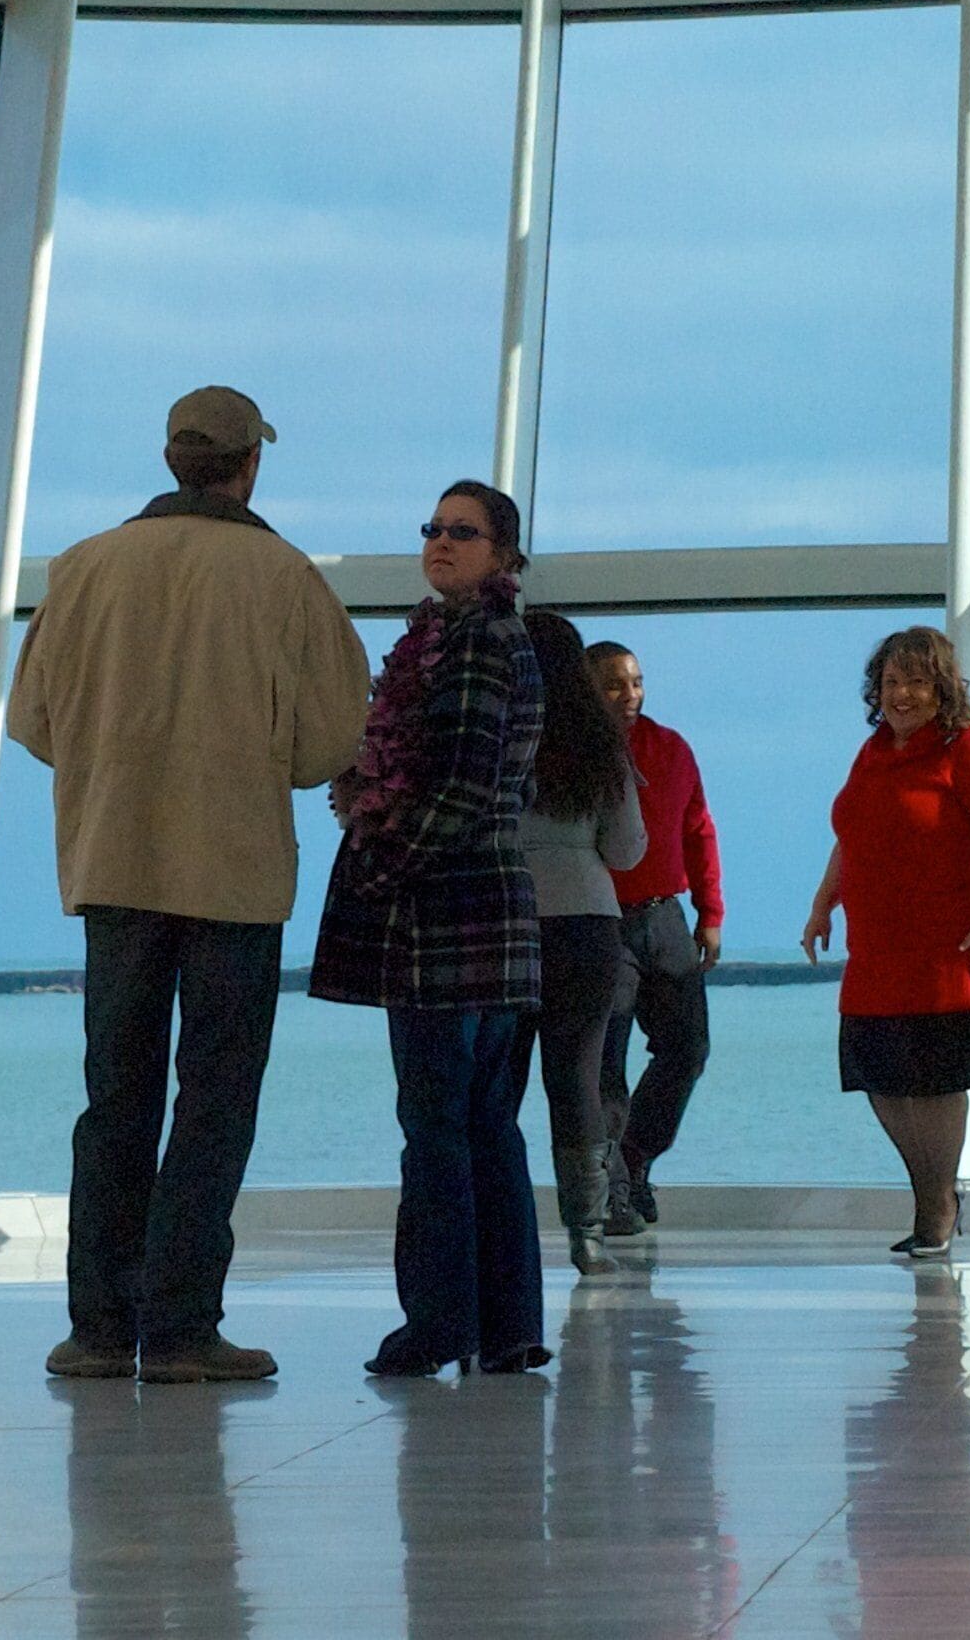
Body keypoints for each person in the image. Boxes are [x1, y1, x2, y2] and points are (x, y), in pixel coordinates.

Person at [6, 385, 372, 1385]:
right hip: (235, 874)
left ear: (171, 459)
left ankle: (96, 1328)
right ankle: (179, 1328)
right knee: (215, 1101)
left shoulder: (83, 568)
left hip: (113, 861)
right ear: (251, 465)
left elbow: (34, 722)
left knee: (112, 1099)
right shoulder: (286, 577)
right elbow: (331, 742)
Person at [312, 479, 551, 1378]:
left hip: (452, 920)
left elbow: (460, 785)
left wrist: (382, 860)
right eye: (433, 529)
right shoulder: (464, 636)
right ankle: (506, 1323)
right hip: (485, 916)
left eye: (464, 532)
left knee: (440, 1124)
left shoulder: (477, 641)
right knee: (484, 1124)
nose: (441, 543)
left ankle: (442, 1320)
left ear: (504, 554)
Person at [803, 626, 970, 1260]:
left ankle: (935, 1210)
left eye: (917, 682)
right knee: (880, 1079)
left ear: (943, 687)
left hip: (947, 951)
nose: (901, 694)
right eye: (891, 682)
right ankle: (937, 1194)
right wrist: (822, 904)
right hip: (877, 951)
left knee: (933, 1083)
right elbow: (851, 835)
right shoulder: (874, 752)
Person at [519, 608, 649, 1277]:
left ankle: (500, 1228)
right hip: (588, 925)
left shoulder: (498, 738)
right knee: (576, 1079)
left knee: (496, 1085)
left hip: (508, 921)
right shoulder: (602, 747)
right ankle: (588, 1235)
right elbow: (626, 851)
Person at [591, 639, 722, 1235]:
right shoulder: (572, 755)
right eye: (615, 684)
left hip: (665, 917)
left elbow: (698, 829)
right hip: (600, 923)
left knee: (688, 1048)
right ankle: (614, 1191)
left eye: (636, 681)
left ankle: (636, 1156)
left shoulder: (671, 748)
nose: (630, 694)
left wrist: (710, 912)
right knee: (605, 1063)